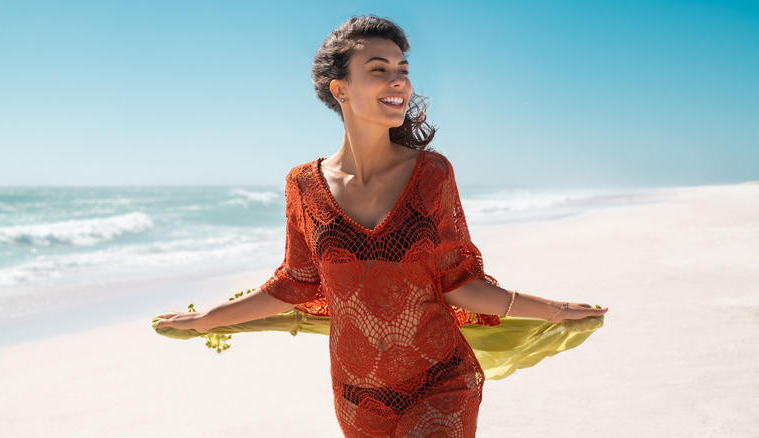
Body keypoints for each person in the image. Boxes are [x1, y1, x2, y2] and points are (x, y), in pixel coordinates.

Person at [156, 15, 608, 437]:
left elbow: (458, 283)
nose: (399, 81)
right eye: (379, 69)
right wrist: (208, 319)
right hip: (357, 395)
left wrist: (554, 309)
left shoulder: (432, 174)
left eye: (403, 70)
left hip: (442, 380)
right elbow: (295, 283)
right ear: (341, 89)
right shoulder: (303, 185)